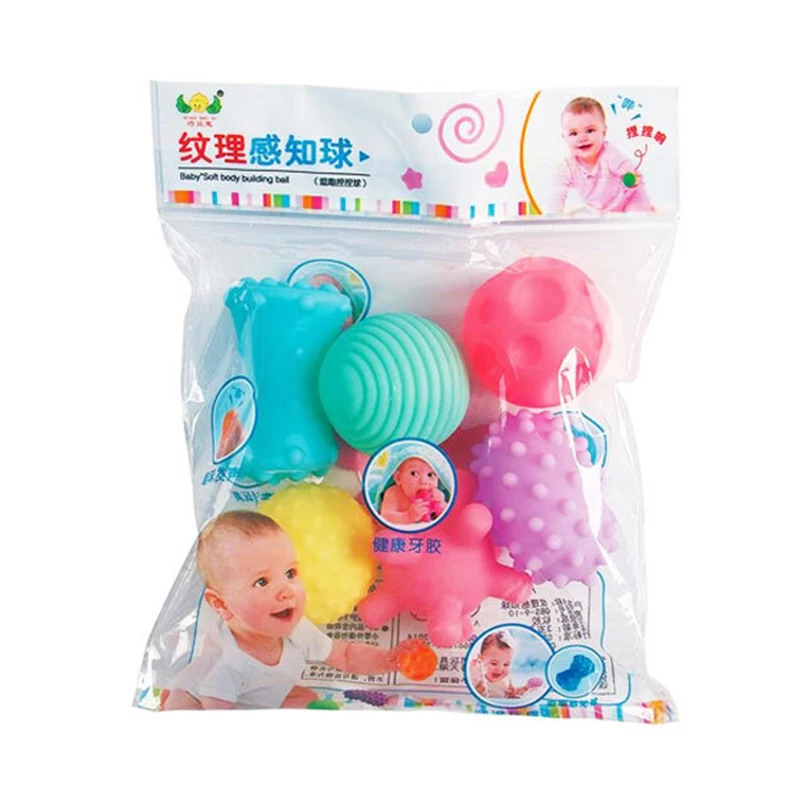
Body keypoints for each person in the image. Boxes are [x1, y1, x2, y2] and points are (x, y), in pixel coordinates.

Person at [162, 510, 411, 709]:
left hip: (255, 693)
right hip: (201, 702)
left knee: (307, 697)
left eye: (290, 573)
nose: (286, 591)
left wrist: (386, 659)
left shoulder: (297, 631)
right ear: (221, 604)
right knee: (182, 710)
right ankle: (169, 699)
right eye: (262, 582)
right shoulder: (227, 664)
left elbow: (344, 655)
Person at [550, 96, 653, 214]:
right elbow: (557, 194)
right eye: (574, 133)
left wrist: (630, 176)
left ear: (603, 132)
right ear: (565, 138)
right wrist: (554, 215)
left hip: (630, 198)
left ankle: (646, 209)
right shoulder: (567, 166)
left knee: (635, 215)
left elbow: (627, 168)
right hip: (603, 208)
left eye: (590, 130)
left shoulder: (610, 155)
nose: (582, 138)